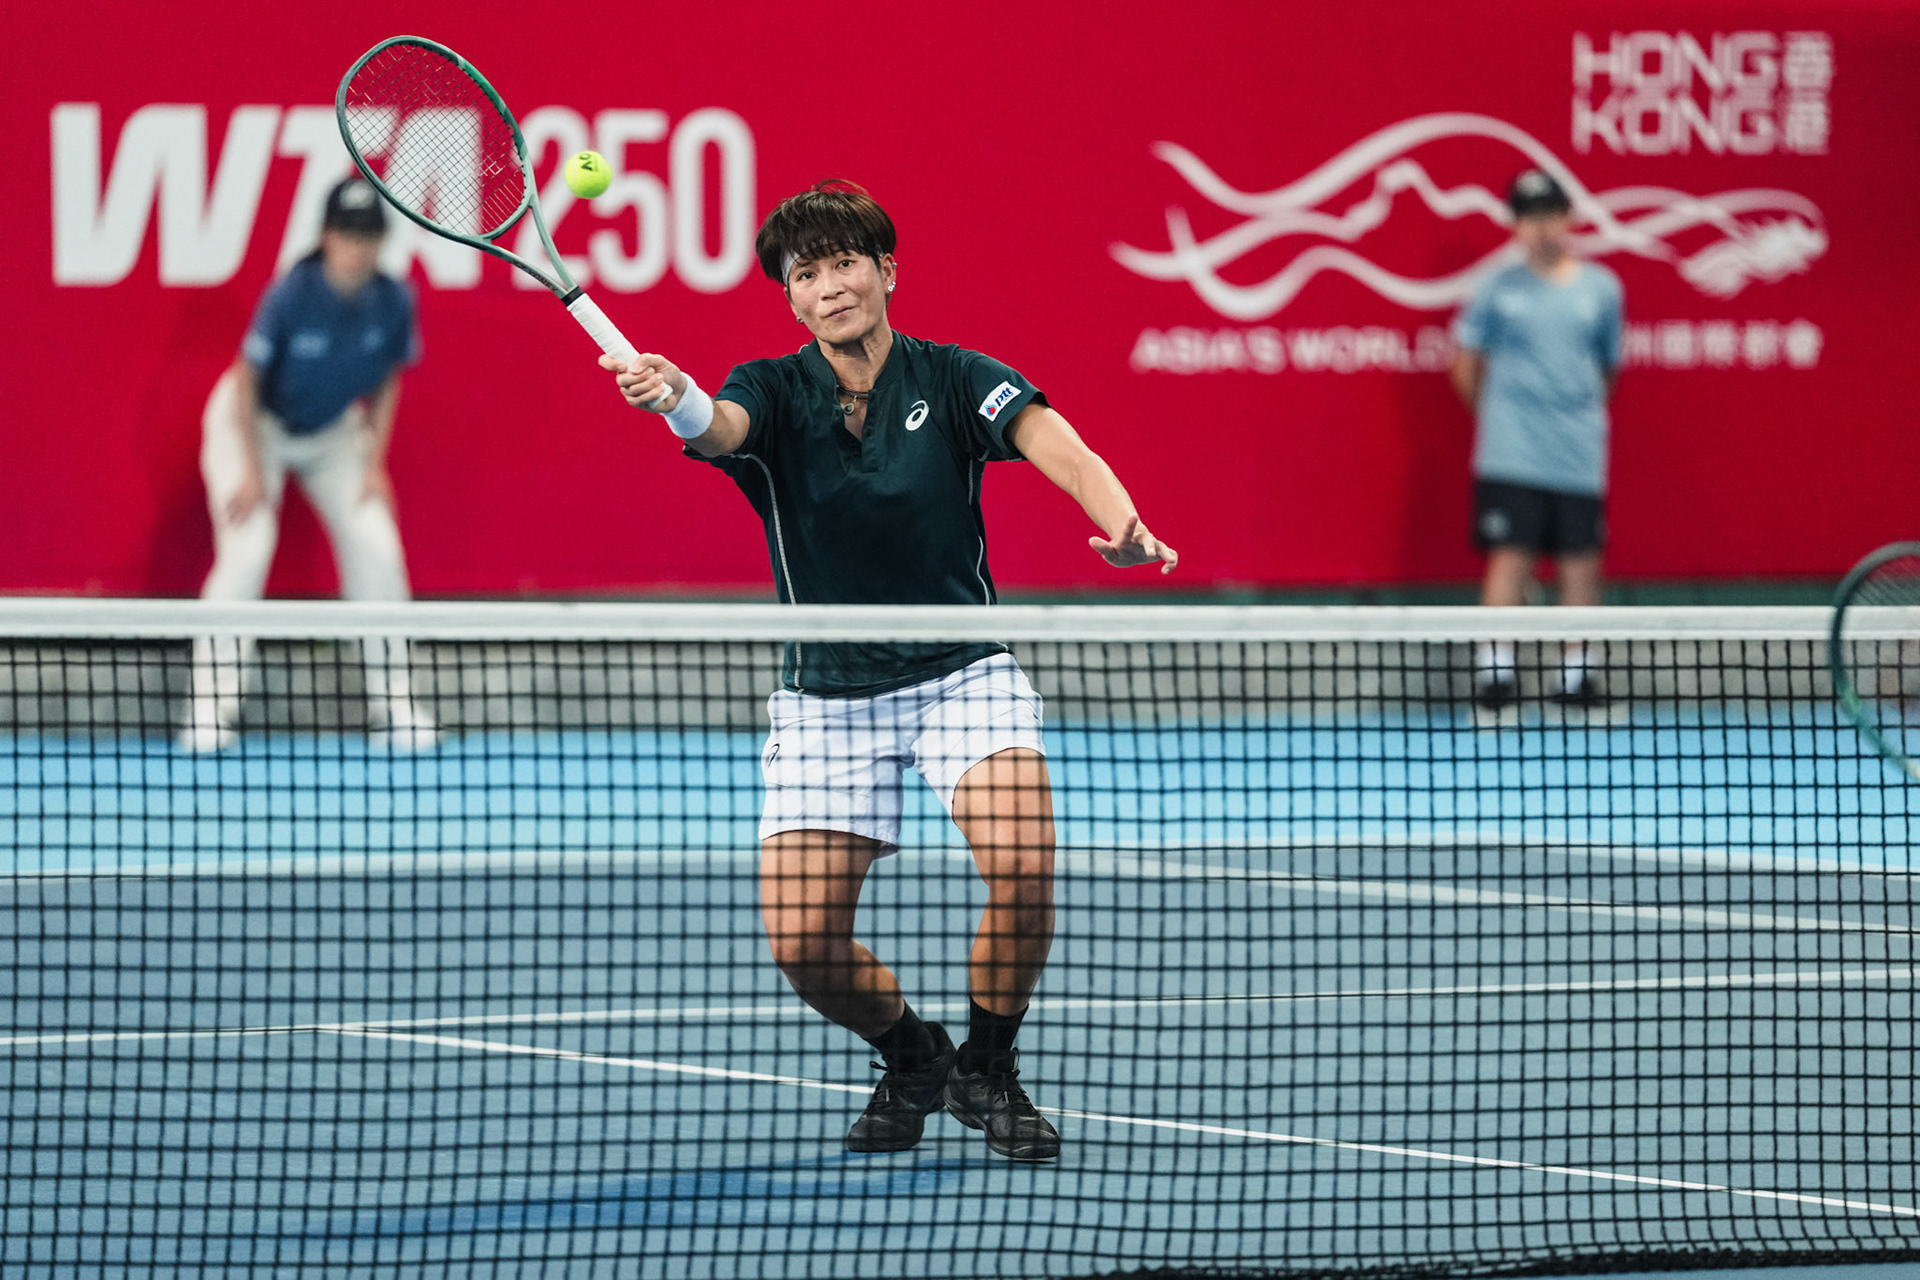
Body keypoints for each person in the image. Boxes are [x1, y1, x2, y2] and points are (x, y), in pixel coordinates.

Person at [599, 181, 1176, 1162]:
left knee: (1026, 863)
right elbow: (717, 425)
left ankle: (988, 1067)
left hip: (962, 671)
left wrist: (1120, 521)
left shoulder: (954, 377)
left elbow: (1057, 443)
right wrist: (674, 396)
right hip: (828, 698)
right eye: (806, 273)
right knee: (802, 945)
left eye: (844, 263)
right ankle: (913, 1053)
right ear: (790, 298)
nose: (829, 285)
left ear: (886, 271)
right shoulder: (772, 391)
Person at [179, 176, 438, 753]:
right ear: (326, 236)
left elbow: (391, 377)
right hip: (251, 426)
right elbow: (247, 384)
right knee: (248, 548)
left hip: (333, 433)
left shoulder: (395, 299)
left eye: (369, 235)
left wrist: (375, 461)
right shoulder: (291, 294)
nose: (359, 246)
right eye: (348, 233)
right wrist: (249, 470)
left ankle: (396, 704)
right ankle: (208, 711)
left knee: (377, 548)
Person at [1450, 168, 1624, 710]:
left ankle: (1576, 679)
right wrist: (1501, 421)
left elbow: (1606, 370)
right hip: (1510, 454)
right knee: (1510, 560)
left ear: (1568, 218)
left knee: (1582, 566)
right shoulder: (1497, 289)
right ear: (1516, 226)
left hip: (1578, 454)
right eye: (1528, 217)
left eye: (1549, 215)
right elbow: (1465, 364)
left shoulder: (1602, 289)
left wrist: (1573, 416)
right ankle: (1495, 677)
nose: (1541, 227)